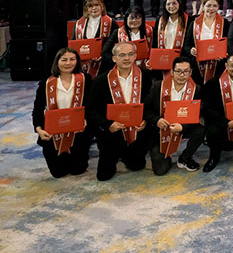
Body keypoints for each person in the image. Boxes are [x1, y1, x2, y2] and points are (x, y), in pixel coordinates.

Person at [88, 42, 152, 181]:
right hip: (112, 132)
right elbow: (92, 109)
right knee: (103, 176)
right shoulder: (101, 80)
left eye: (130, 54)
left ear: (135, 56)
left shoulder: (146, 76)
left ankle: (126, 154)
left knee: (137, 166)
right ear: (114, 58)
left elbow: (151, 104)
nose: (127, 58)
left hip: (137, 131)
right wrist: (107, 125)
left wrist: (145, 120)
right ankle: (116, 154)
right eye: (122, 55)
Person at [32, 48, 92, 178]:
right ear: (57, 62)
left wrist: (86, 120)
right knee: (58, 173)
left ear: (77, 61)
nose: (68, 63)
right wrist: (39, 129)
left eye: (72, 59)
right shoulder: (46, 83)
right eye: (64, 60)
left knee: (77, 170)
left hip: (78, 132)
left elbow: (92, 105)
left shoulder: (85, 80)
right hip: (53, 135)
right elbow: (37, 109)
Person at [144, 56, 205, 175]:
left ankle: (185, 157)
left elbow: (197, 114)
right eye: (178, 71)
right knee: (160, 170)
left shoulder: (196, 90)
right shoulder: (158, 87)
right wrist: (157, 120)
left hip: (183, 126)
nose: (182, 75)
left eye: (186, 71)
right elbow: (146, 109)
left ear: (190, 72)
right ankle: (166, 153)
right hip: (161, 129)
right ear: (172, 71)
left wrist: (183, 127)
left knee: (200, 130)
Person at [185, 0, 228, 83]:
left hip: (218, 65)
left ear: (218, 7)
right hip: (198, 66)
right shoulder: (194, 23)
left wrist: (224, 54)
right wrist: (191, 50)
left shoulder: (225, 23)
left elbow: (229, 43)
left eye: (215, 6)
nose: (211, 9)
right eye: (208, 5)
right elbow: (187, 45)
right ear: (203, 6)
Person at [72, 0, 113, 78]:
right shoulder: (78, 24)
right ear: (86, 9)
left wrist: (103, 56)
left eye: (96, 5)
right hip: (84, 66)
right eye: (90, 6)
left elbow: (116, 45)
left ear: (102, 6)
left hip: (104, 66)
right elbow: (74, 45)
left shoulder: (111, 22)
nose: (94, 8)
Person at [150, 0, 190, 79]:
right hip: (163, 61)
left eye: (174, 3)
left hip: (181, 61)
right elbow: (155, 43)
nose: (171, 6)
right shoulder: (160, 21)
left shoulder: (189, 20)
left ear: (179, 4)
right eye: (168, 4)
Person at [102, 5, 150, 70]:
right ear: (126, 19)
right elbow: (105, 53)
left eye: (137, 17)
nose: (134, 20)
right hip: (123, 69)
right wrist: (118, 61)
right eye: (131, 18)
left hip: (145, 69)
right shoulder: (117, 32)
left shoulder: (150, 31)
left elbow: (155, 51)